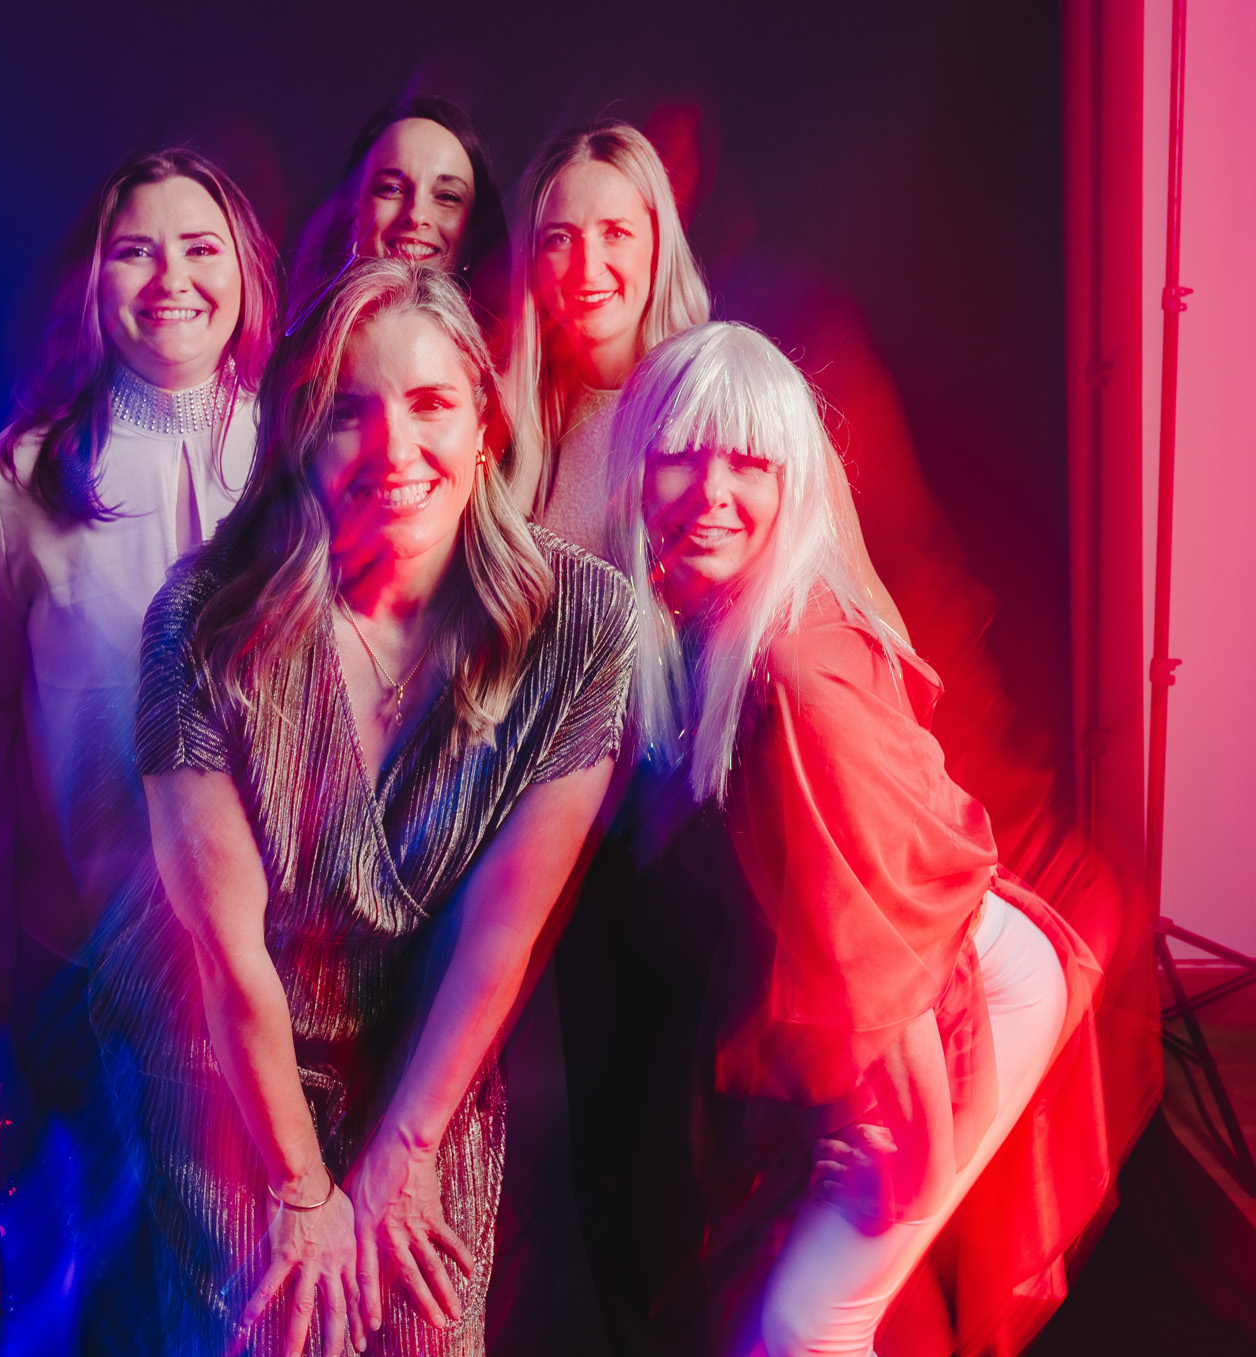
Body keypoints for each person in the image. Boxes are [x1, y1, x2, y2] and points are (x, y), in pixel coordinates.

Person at [83, 258, 637, 1357]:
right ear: (299, 438)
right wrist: (299, 1189)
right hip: (233, 1077)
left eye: (430, 403)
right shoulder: (202, 622)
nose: (393, 448)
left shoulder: (581, 625)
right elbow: (226, 951)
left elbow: (500, 932)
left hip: (426, 1068)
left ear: (485, 425)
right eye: (348, 411)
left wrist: (402, 1154)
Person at [602, 321, 1109, 1357]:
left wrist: (916, 1142)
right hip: (910, 971)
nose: (712, 491)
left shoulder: (795, 674)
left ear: (794, 480)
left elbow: (889, 941)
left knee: (804, 1324)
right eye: (682, 455)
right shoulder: (706, 615)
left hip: (958, 980)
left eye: (750, 462)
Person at [0, 145, 278, 1343]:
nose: (171, 278)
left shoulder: (302, 457)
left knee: (251, 1285)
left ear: (244, 272)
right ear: (94, 279)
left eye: (200, 247)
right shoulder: (20, 476)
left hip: (277, 968)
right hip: (81, 960)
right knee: (119, 1292)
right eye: (137, 251)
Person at [502, 120, 710, 539]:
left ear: (658, 245)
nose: (587, 268)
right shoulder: (530, 407)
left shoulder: (713, 397)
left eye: (616, 233)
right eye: (560, 239)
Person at [290, 97, 509, 331]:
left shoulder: (510, 350)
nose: (416, 215)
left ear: (473, 230)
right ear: (355, 210)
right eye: (391, 189)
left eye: (447, 196)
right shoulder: (302, 344)